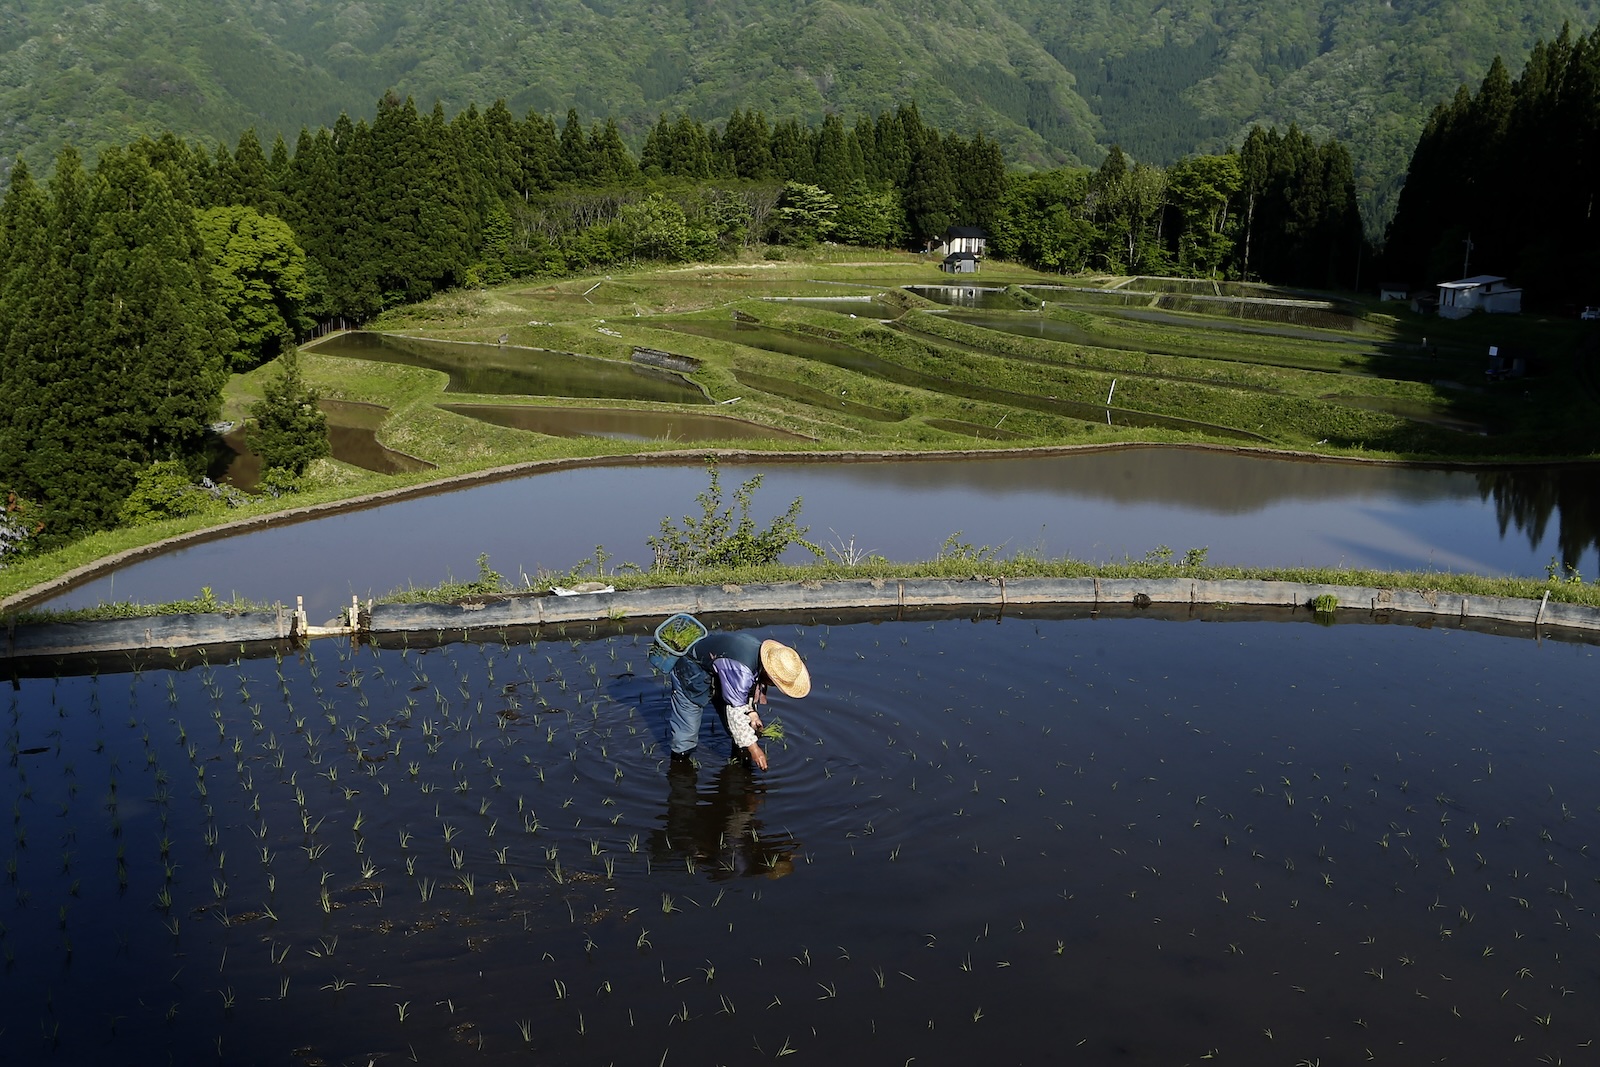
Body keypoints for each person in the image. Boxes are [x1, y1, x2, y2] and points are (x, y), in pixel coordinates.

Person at [665, 630, 810, 770]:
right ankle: (679, 767)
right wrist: (755, 750)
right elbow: (735, 713)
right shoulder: (742, 671)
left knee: (744, 726)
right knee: (687, 732)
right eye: (775, 682)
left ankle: (739, 763)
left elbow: (745, 691)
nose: (773, 686)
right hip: (691, 670)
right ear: (768, 672)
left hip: (721, 672)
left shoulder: (759, 655)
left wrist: (752, 713)